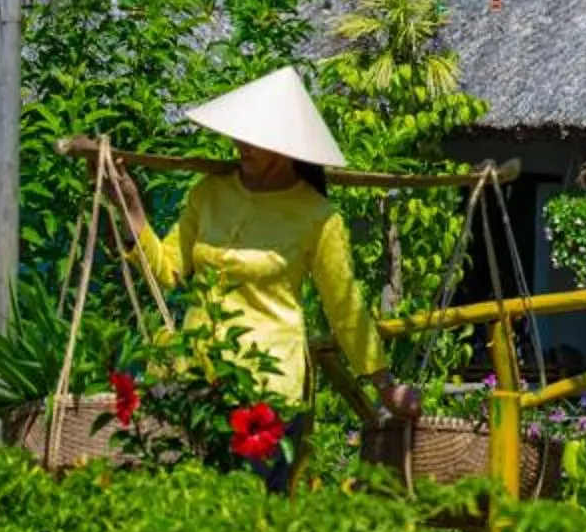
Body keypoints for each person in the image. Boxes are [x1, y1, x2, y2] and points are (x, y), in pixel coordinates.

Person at [115, 67, 408, 490]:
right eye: (240, 134)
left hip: (267, 389)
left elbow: (346, 309)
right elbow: (168, 271)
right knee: (184, 509)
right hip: (194, 380)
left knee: (250, 511)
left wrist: (385, 385)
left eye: (254, 137)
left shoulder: (317, 217)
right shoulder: (209, 192)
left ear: (286, 145)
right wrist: (130, 208)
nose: (240, 145)